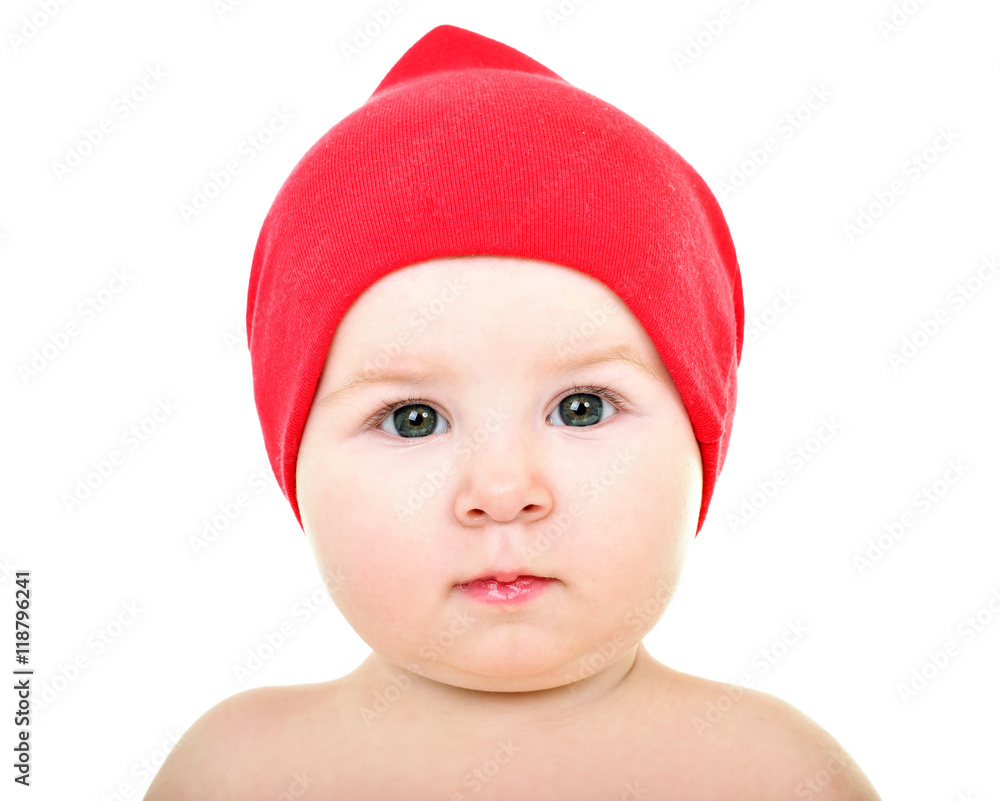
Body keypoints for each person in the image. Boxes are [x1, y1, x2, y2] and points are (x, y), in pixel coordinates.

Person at [144, 24, 882, 800]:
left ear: (703, 440)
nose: (502, 490)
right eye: (414, 418)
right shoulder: (237, 772)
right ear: (293, 459)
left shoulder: (771, 774)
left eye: (582, 408)